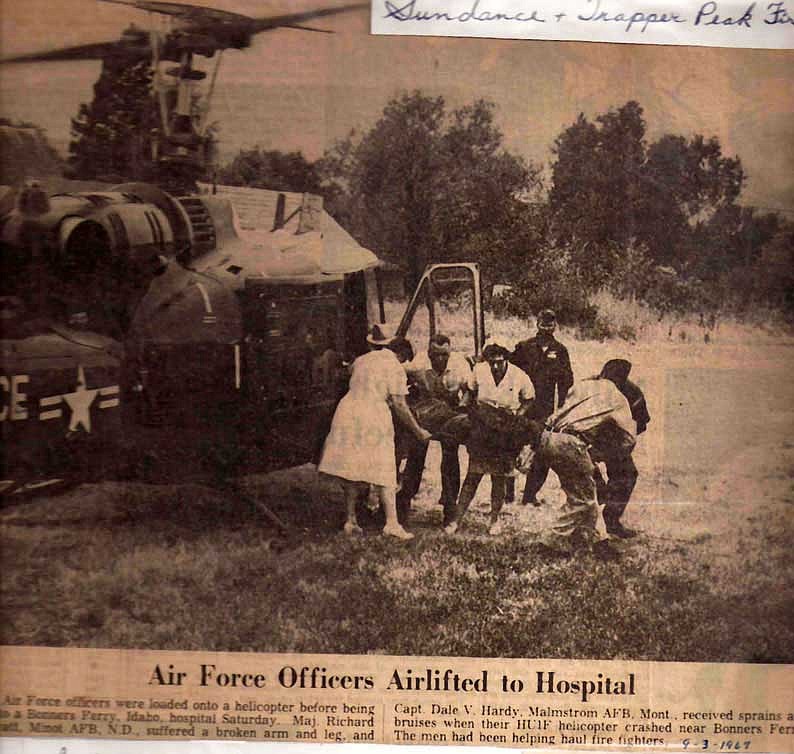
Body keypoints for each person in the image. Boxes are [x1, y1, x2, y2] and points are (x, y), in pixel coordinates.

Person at [318, 330, 432, 540]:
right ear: (400, 354)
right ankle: (391, 523)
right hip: (372, 415)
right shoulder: (394, 366)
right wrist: (418, 431)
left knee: (351, 467)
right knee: (384, 467)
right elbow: (400, 405)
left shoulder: (361, 360)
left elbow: (351, 374)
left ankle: (351, 520)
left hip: (348, 411)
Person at [445, 342, 535, 536]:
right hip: (482, 425)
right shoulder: (479, 370)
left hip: (505, 427)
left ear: (506, 359)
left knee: (499, 478)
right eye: (491, 362)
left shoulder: (519, 375)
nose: (495, 366)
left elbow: (529, 398)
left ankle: (495, 520)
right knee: (473, 475)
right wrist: (465, 411)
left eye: (499, 362)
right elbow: (469, 391)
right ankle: (456, 520)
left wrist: (517, 416)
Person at [396, 334, 471, 526]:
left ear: (450, 352)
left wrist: (462, 406)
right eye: (434, 355)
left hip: (449, 412)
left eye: (443, 355)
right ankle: (403, 502)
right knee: (416, 454)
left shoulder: (460, 364)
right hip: (426, 409)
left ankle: (449, 505)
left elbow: (470, 389)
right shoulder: (419, 361)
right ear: (428, 353)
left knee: (450, 454)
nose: (439, 359)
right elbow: (397, 373)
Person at [510, 308, 574, 506]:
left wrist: (560, 411)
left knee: (543, 451)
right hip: (522, 407)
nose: (547, 326)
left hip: (544, 409)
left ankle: (530, 495)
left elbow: (566, 382)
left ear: (556, 325)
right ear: (536, 323)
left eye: (551, 322)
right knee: (512, 446)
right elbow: (509, 374)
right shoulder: (524, 347)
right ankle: (507, 493)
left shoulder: (561, 350)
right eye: (543, 322)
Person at [595, 359, 650, 538]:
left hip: (615, 441)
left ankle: (611, 520)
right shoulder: (590, 386)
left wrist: (620, 442)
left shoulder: (633, 393)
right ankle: (587, 521)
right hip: (586, 436)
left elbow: (641, 423)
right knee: (586, 477)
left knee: (626, 475)